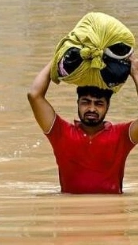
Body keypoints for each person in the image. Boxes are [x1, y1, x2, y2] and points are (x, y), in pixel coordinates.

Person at [27, 58, 138, 193]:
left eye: (99, 104)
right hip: (70, 213)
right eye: (86, 102)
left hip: (111, 211)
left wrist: (135, 72)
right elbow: (34, 95)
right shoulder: (61, 132)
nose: (91, 109)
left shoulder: (122, 135)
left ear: (107, 106)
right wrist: (57, 58)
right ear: (78, 103)